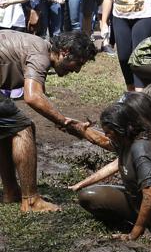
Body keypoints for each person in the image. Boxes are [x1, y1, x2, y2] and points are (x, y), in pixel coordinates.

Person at [78, 102, 151, 252]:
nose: (107, 136)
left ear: (123, 129)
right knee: (89, 196)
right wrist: (74, 127)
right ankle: (129, 223)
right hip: (137, 203)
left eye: (109, 132)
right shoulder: (125, 141)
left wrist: (135, 232)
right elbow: (101, 140)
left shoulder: (141, 149)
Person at [1, 31, 100, 211]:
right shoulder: (40, 54)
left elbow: (41, 97)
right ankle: (31, 201)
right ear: (64, 51)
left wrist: (64, 121)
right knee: (23, 128)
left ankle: (11, 191)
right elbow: (33, 97)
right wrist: (65, 122)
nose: (77, 70)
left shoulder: (38, 48)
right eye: (78, 63)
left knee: (8, 127)